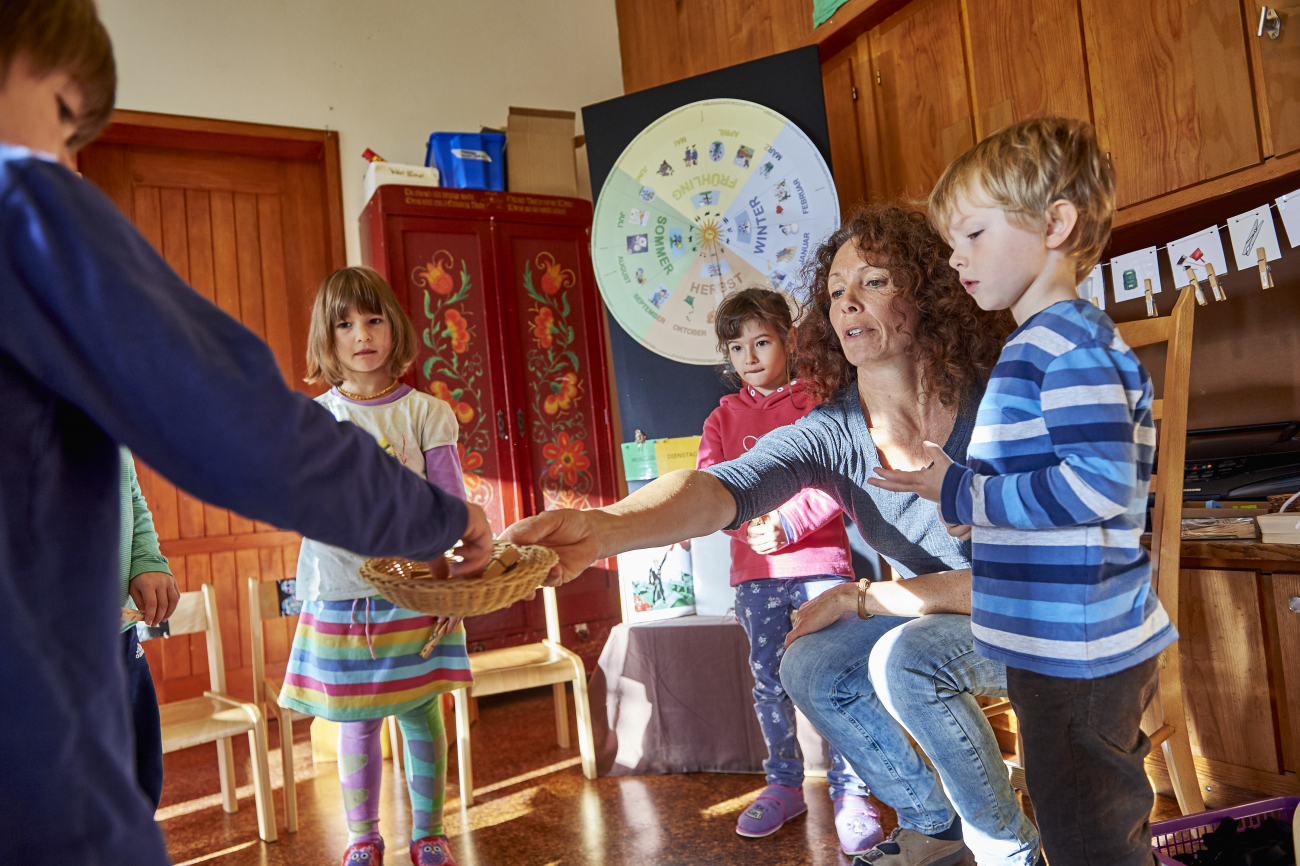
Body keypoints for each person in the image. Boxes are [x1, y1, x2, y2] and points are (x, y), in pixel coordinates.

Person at [0, 3, 492, 863]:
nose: (68, 157)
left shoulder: (424, 411)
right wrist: (444, 519)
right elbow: (248, 432)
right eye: (69, 118)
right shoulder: (25, 204)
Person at [505, 206, 1047, 866]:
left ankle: (1006, 850)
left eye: (873, 281)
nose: (848, 302)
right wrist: (602, 527)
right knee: (811, 663)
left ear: (928, 292)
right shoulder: (833, 430)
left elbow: (1033, 574)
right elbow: (716, 488)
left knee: (906, 658)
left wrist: (866, 598)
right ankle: (936, 826)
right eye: (835, 291)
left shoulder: (1001, 399)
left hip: (1044, 617)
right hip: (948, 616)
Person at [874, 117, 1168, 866]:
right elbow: (1047, 488)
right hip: (1059, 641)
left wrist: (970, 498)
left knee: (1089, 838)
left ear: (1055, 225)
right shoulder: (1043, 343)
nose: (954, 256)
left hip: (1078, 648)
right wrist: (962, 492)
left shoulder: (1064, 346)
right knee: (1080, 822)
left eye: (972, 234)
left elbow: (1096, 487)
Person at [279, 267, 471, 866]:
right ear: (327, 339)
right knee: (355, 718)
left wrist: (448, 583)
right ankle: (362, 835)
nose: (361, 334)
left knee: (421, 712)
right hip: (339, 593)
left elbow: (450, 506)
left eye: (373, 319)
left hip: (416, 594)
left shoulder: (426, 413)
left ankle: (429, 830)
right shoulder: (314, 419)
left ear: (394, 327)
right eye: (344, 324)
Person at [697, 287, 879, 854]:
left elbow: (836, 477)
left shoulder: (819, 402)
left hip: (822, 567)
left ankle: (854, 793)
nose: (749, 355)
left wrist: (789, 525)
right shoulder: (721, 418)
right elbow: (710, 487)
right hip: (755, 577)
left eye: (761, 341)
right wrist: (744, 527)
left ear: (789, 340)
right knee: (770, 683)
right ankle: (784, 785)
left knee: (839, 678)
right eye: (737, 347)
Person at [119, 448, 181, 810]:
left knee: (140, 779)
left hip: (119, 639)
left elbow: (129, 490)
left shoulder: (102, 397)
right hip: (33, 649)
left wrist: (146, 559)